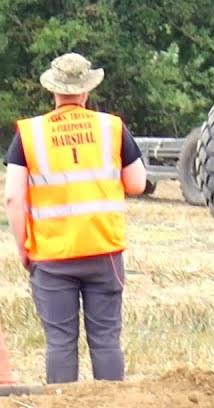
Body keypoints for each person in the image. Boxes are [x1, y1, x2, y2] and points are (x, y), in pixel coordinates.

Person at [4, 53, 147, 384]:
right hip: (103, 251)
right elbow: (137, 183)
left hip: (51, 256)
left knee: (60, 343)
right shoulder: (112, 127)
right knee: (106, 340)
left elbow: (13, 197)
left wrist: (24, 248)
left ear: (53, 91)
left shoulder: (28, 133)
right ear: (86, 92)